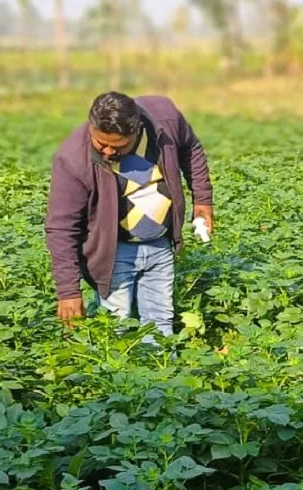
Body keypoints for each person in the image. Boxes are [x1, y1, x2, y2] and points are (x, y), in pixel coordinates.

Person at [45, 92, 213, 336]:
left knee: (160, 321)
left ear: (137, 131)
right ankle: (114, 372)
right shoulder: (72, 158)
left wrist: (203, 199)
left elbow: (191, 148)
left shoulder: (164, 119)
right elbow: (61, 227)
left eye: (118, 145)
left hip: (160, 244)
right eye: (101, 143)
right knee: (116, 325)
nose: (108, 152)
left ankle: (160, 370)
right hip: (113, 251)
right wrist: (68, 291)